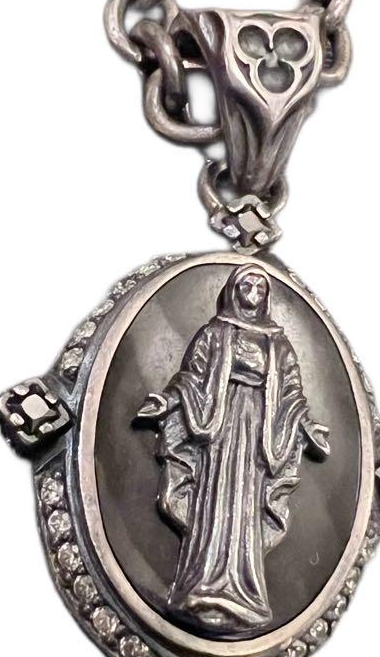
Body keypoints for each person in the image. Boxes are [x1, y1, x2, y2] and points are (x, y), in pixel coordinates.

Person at [136, 264, 330, 635]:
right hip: (218, 430)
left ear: (266, 296)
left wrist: (307, 425)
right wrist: (168, 401)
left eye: (259, 287)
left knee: (244, 507)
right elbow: (191, 377)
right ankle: (202, 582)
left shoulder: (279, 343)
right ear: (233, 290)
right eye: (247, 285)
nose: (253, 292)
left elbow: (292, 393)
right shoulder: (214, 333)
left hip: (258, 432)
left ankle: (245, 592)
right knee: (215, 501)